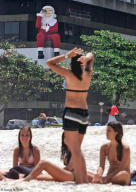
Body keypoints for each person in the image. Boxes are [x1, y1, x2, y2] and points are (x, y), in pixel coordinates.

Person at [46, 48, 94, 184]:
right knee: (77, 149)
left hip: (72, 113)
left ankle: (81, 181)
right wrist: (87, 58)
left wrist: (66, 55)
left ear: (72, 63)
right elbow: (92, 56)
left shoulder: (68, 74)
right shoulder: (87, 74)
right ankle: (82, 179)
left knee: (74, 149)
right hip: (84, 114)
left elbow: (49, 63)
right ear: (82, 63)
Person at [23, 132, 94, 182]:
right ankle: (25, 178)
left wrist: (55, 171)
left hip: (72, 176)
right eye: (65, 137)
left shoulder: (75, 150)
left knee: (43, 163)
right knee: (38, 177)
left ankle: (25, 180)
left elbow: (70, 168)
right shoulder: (70, 151)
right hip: (70, 175)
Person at [92, 121, 130, 185]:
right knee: (84, 173)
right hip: (108, 176)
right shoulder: (104, 147)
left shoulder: (125, 148)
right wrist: (99, 174)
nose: (106, 133)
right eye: (106, 130)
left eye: (109, 131)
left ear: (116, 132)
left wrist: (107, 178)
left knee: (124, 174)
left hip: (120, 176)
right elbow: (101, 166)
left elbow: (122, 168)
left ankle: (107, 181)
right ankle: (106, 181)